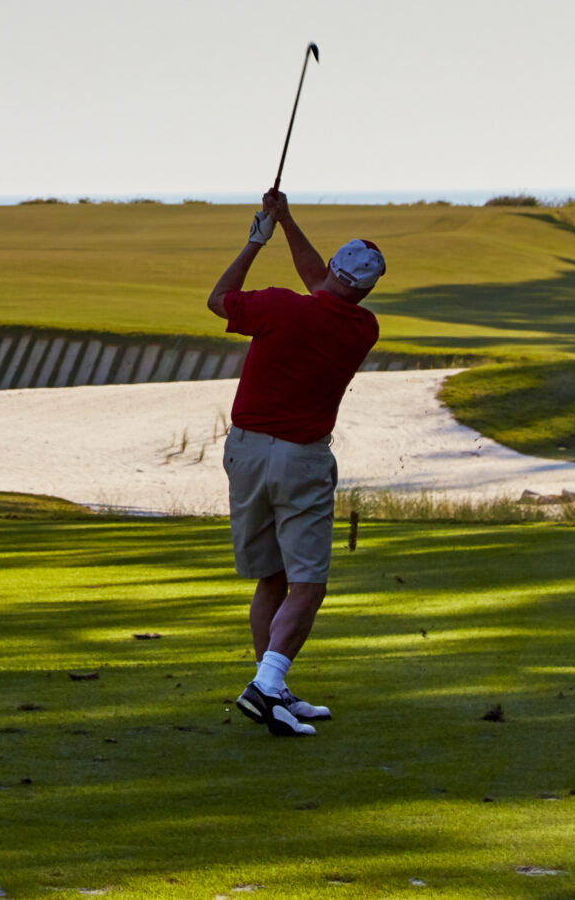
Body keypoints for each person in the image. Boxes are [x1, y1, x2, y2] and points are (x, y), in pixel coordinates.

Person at [204, 186, 384, 736]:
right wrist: (284, 221)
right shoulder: (361, 327)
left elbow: (219, 298)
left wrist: (258, 239)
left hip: (247, 452)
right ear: (369, 288)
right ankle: (267, 686)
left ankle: (270, 688)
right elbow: (325, 288)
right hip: (301, 462)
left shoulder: (279, 306)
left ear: (333, 269)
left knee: (272, 578)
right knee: (307, 584)